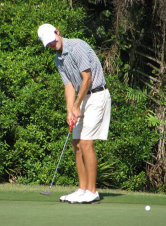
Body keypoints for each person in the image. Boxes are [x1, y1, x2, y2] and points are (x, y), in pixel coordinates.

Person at [37, 24, 111, 204]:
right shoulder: (58, 59)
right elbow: (69, 86)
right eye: (48, 45)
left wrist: (77, 105)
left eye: (53, 41)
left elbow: (87, 79)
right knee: (76, 143)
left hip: (96, 95)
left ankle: (92, 192)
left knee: (86, 143)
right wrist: (70, 110)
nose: (52, 46)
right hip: (81, 98)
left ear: (58, 33)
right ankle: (82, 189)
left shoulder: (77, 47)